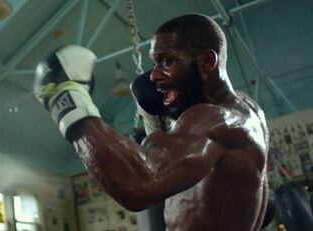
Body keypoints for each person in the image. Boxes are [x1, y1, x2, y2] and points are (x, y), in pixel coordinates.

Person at [34, 13, 269, 231]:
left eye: (167, 61)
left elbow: (138, 185)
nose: (154, 75)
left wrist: (67, 101)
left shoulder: (215, 119)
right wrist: (153, 123)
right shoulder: (247, 110)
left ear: (207, 61)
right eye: (155, 62)